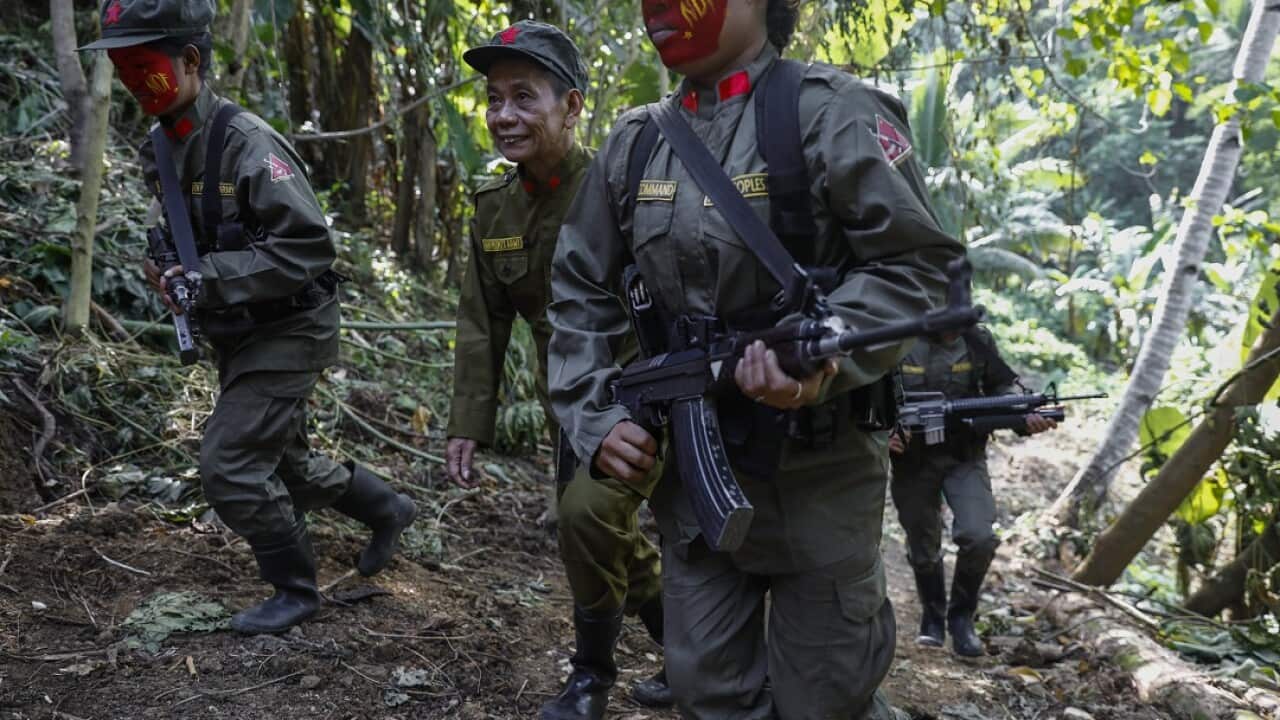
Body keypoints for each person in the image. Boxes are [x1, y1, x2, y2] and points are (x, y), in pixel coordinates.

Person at [545, 0, 966, 716]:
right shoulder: (636, 142)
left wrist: (826, 348)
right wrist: (596, 417)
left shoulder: (833, 114)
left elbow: (918, 269)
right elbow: (580, 288)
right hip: (698, 488)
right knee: (707, 690)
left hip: (822, 481)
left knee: (826, 698)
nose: (660, 8)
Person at [82, 0, 417, 635]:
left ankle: (295, 589)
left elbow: (310, 246)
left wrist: (208, 277)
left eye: (143, 63)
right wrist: (175, 274)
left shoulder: (248, 144)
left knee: (230, 463)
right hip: (240, 328)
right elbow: (194, 234)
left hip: (291, 329)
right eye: (121, 66)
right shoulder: (164, 143)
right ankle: (388, 508)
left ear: (189, 59)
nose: (131, 78)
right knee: (286, 464)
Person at [444, 21, 672, 719]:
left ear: (572, 107)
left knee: (584, 517)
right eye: (493, 99)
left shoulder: (627, 189)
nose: (503, 116)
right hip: (566, 408)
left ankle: (591, 679)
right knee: (594, 532)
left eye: (524, 97)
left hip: (642, 397)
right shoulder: (494, 209)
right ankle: (690, 651)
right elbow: (482, 322)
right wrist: (468, 424)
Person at [888, 327, 1056, 657]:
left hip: (964, 456)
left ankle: (961, 619)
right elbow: (869, 391)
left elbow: (1002, 385)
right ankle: (932, 618)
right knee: (923, 544)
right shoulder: (899, 335)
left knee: (979, 536)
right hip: (913, 461)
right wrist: (884, 431)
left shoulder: (978, 339)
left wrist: (1023, 413)